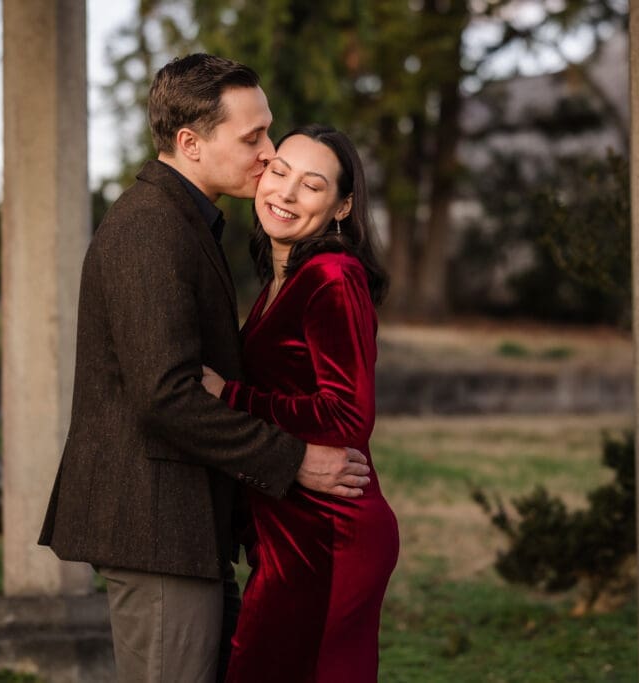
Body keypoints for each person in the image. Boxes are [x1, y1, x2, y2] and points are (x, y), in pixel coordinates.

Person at [38, 56, 371, 683]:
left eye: (267, 131)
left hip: (186, 525)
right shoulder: (150, 228)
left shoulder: (187, 222)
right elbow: (166, 396)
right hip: (158, 525)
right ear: (190, 143)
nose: (269, 153)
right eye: (253, 138)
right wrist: (295, 459)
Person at [200, 125, 400, 682]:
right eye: (279, 172)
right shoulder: (279, 281)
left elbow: (347, 415)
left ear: (342, 206)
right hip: (290, 527)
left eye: (311, 185)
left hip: (328, 534)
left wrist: (229, 395)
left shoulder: (333, 276)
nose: (285, 193)